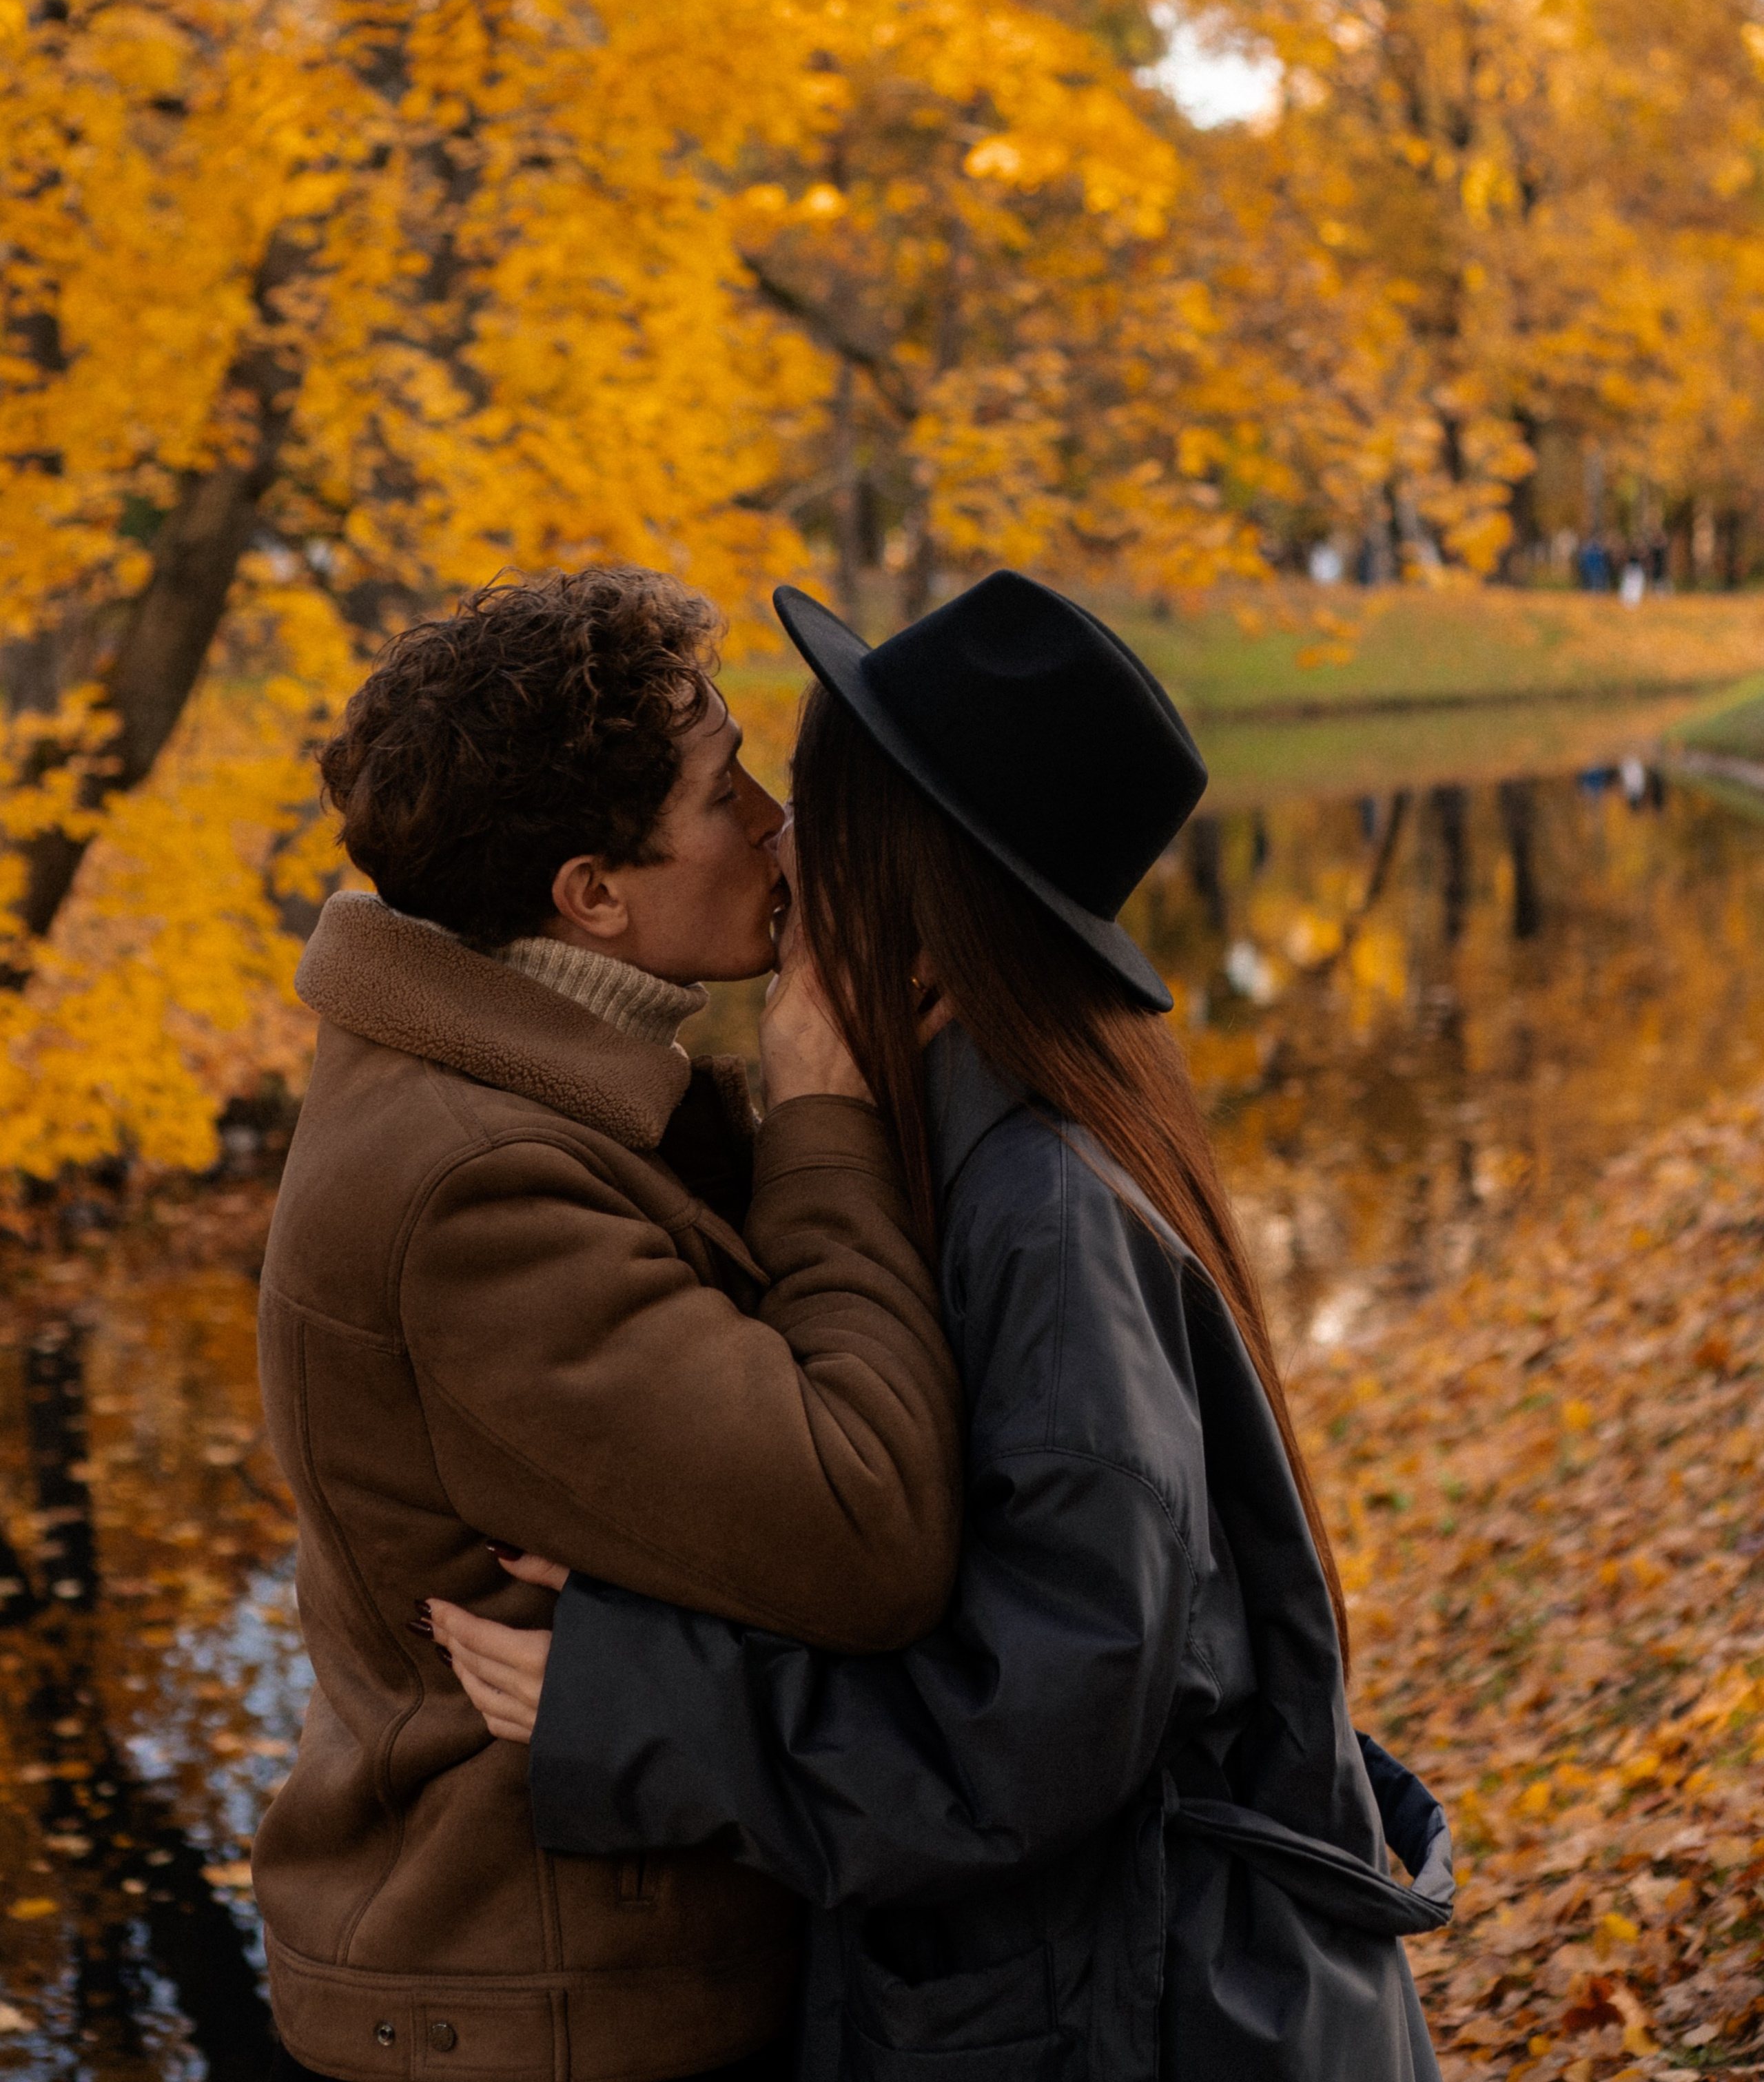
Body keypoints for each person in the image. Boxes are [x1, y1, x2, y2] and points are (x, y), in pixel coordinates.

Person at [431, 573, 1453, 2082]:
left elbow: (1041, 1726)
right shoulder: (997, 1125)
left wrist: (643, 1702)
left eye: (811, 807)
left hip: (1144, 2019)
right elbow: (980, 1576)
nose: (777, 838)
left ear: (893, 863)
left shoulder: (1035, 1200)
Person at [253, 568, 963, 2082]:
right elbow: (866, 1525)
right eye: (726, 796)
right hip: (546, 2009)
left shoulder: (523, 1092)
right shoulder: (479, 1184)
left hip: (582, 1977)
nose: (778, 822)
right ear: (591, 893)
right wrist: (823, 1112)